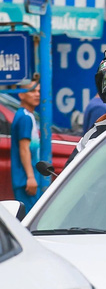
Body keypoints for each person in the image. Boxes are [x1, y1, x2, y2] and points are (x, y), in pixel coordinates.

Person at [10, 79, 46, 212]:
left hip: (27, 179)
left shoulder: (28, 115)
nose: (37, 94)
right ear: (21, 94)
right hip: (25, 181)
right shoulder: (24, 117)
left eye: (38, 91)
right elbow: (24, 149)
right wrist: (30, 177)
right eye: (32, 91)